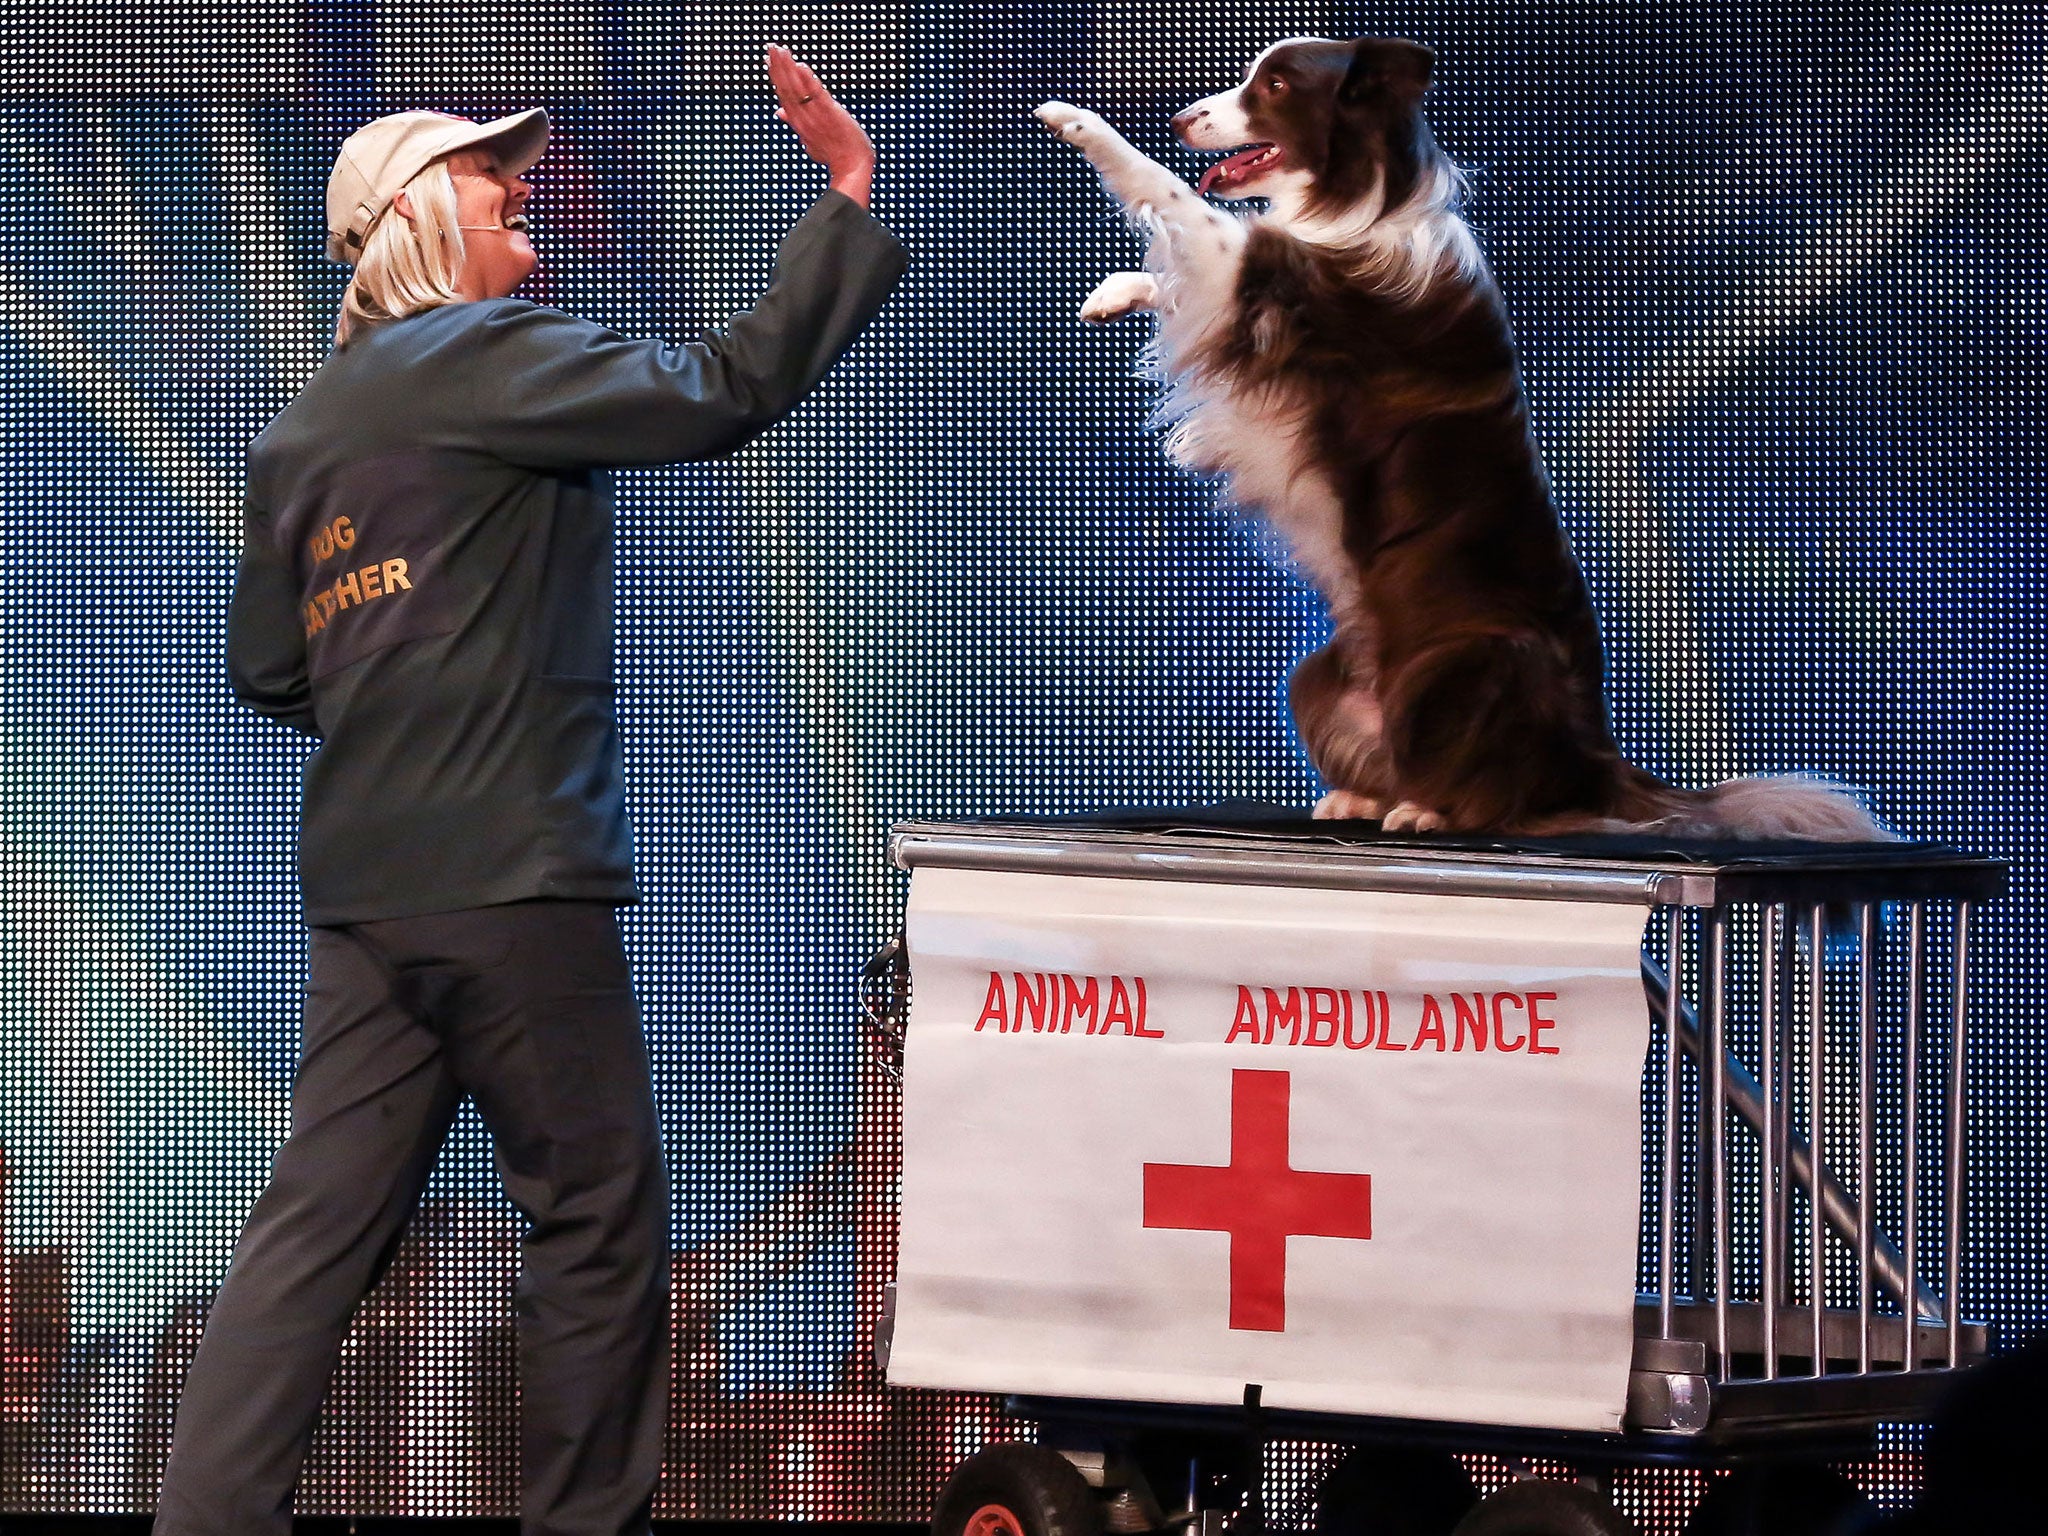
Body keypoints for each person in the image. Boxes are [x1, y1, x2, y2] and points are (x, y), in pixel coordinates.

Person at [154, 46, 907, 1536]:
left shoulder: (303, 431)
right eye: (504, 197)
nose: (533, 227)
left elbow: (268, 670)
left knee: (314, 1239)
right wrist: (848, 204)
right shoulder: (491, 358)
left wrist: (393, 685)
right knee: (595, 1223)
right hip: (514, 879)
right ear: (426, 221)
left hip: (373, 899)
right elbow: (724, 388)